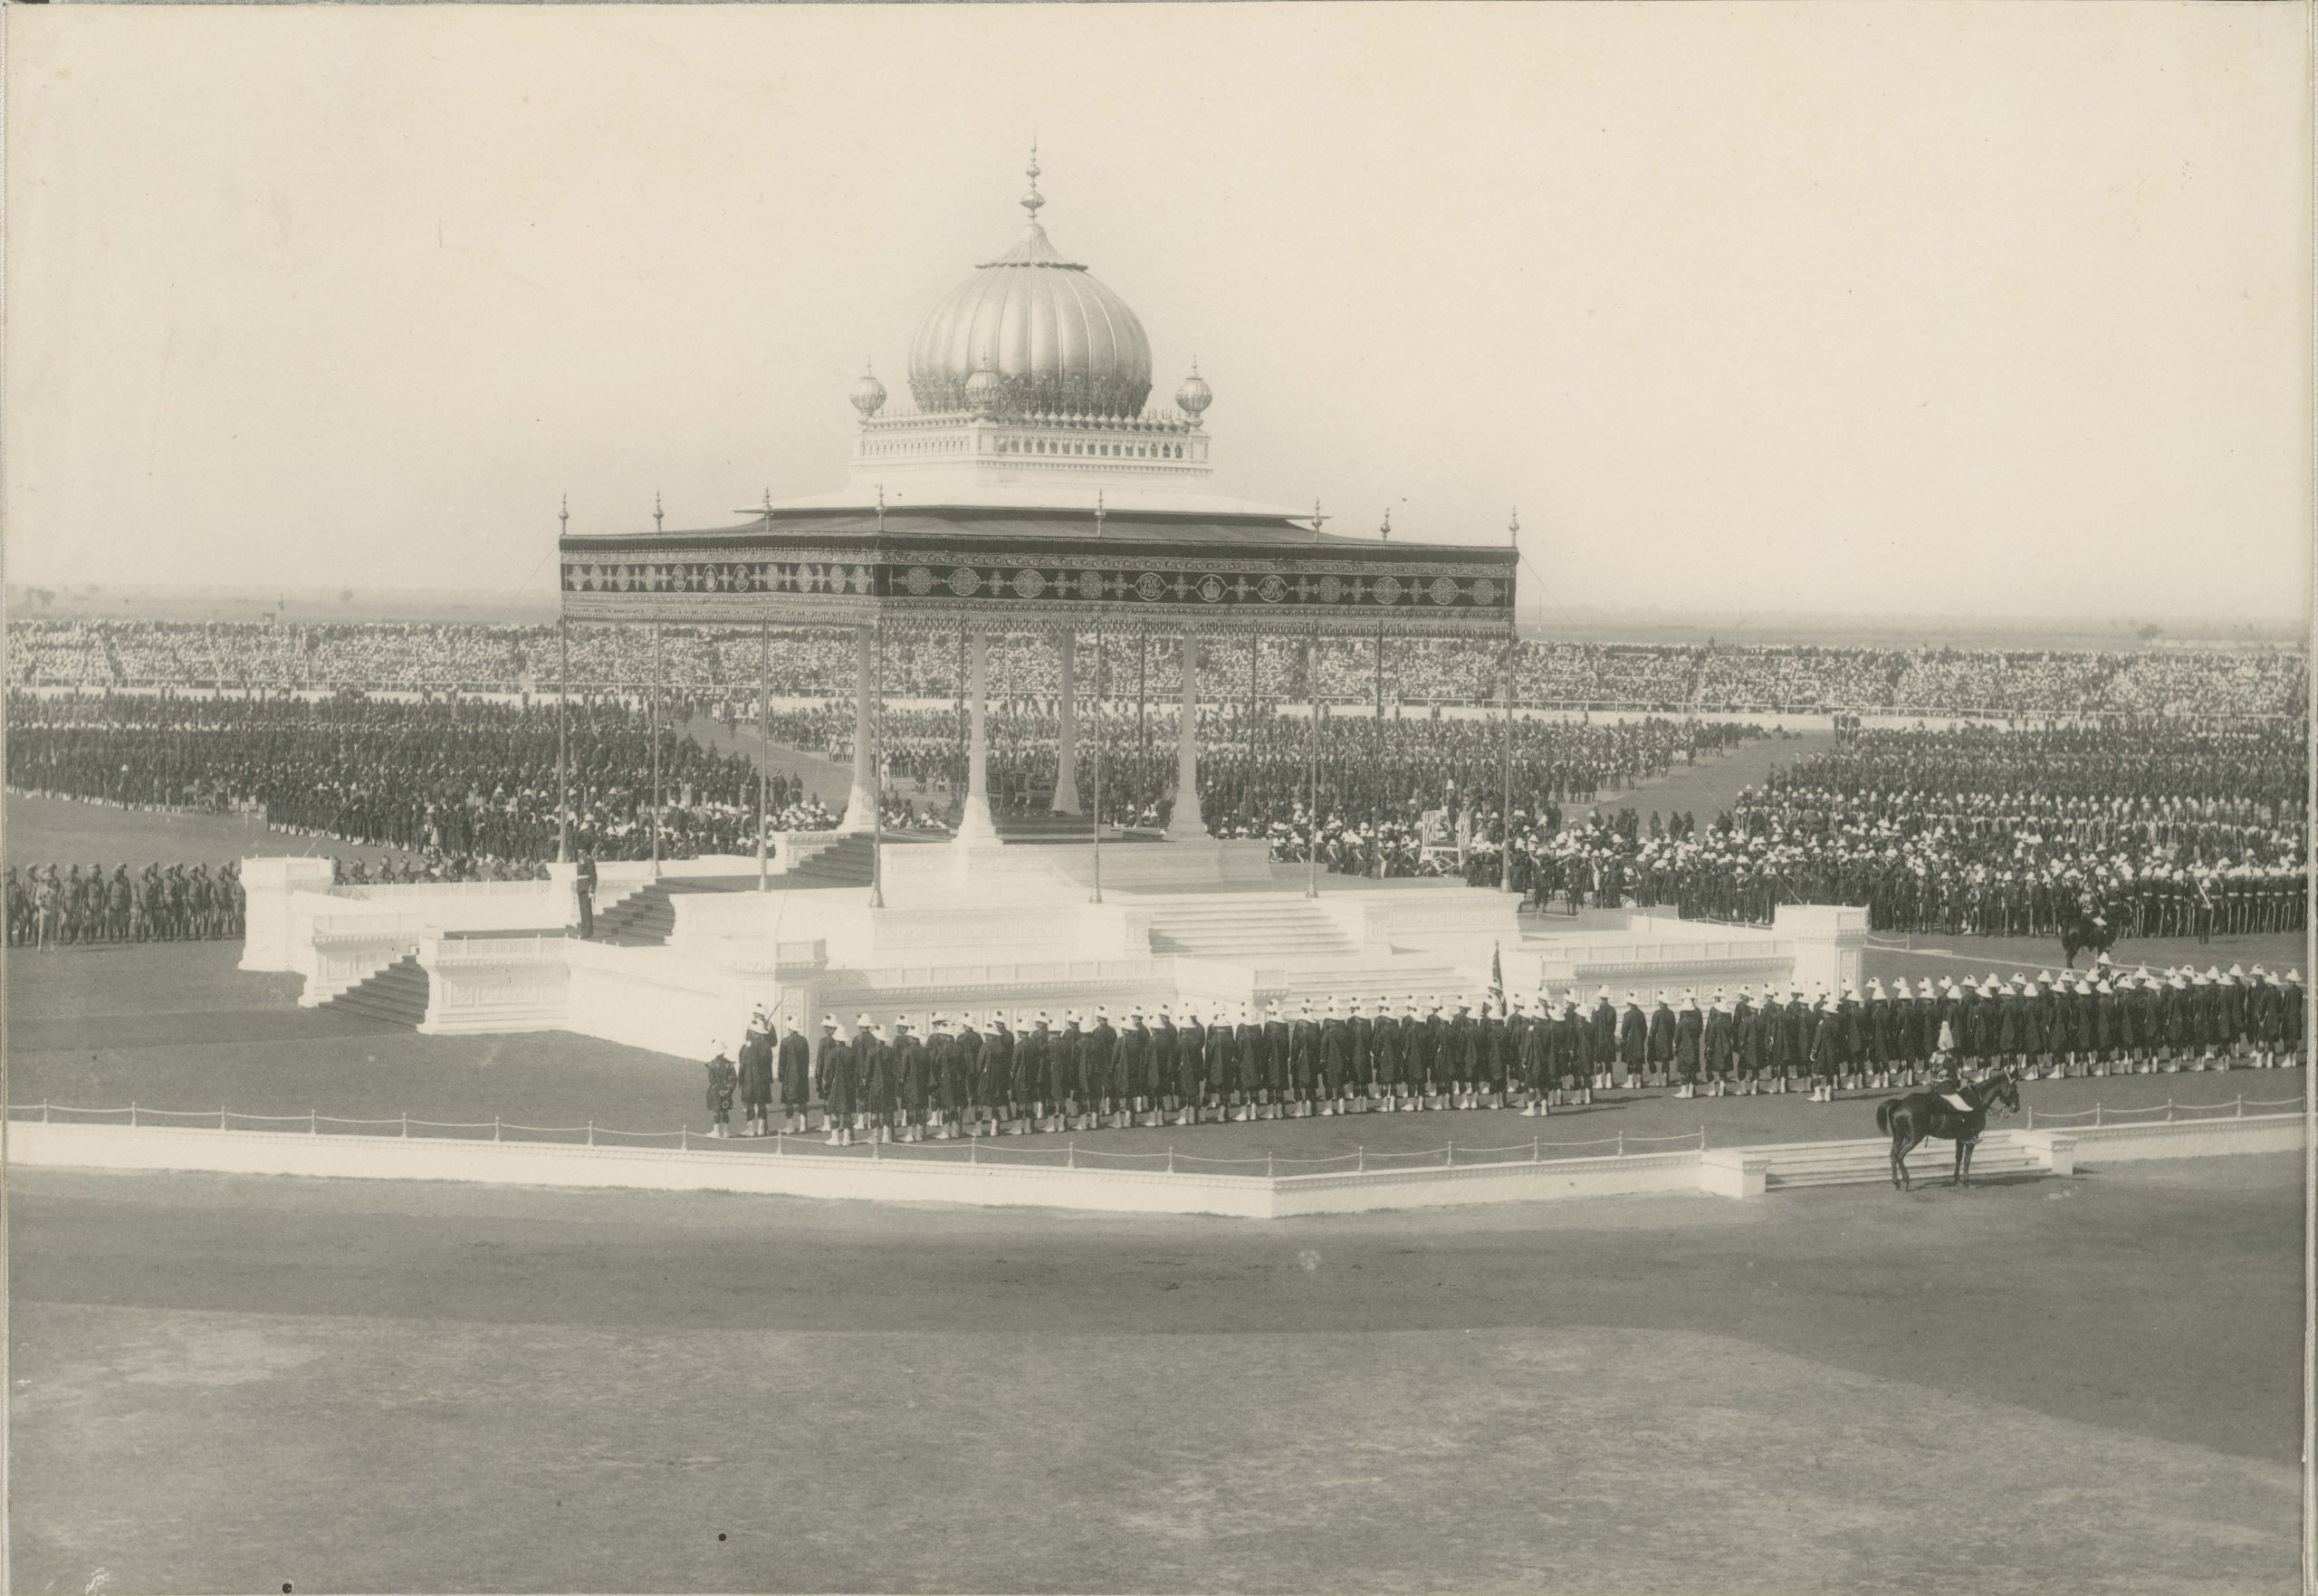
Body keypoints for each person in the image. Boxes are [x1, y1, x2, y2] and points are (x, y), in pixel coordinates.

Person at [737, 1010, 774, 1137]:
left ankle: (751, 1129)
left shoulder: (746, 1047)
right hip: (763, 1079)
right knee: (762, 1104)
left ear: (753, 1032)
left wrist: (740, 1080)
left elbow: (742, 1065)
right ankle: (761, 1128)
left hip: (749, 1079)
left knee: (750, 1104)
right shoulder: (767, 1046)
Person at [777, 1015, 812, 1134]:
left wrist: (781, 1076)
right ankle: (803, 1125)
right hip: (801, 1074)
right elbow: (807, 1059)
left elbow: (781, 1061)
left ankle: (790, 1126)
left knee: (789, 1101)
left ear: (790, 1029)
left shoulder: (785, 1042)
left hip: (788, 1075)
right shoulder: (803, 1041)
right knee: (802, 1101)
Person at [704, 1041, 738, 1139]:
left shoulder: (711, 1065)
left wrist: (719, 1089)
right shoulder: (729, 1064)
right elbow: (734, 1079)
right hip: (727, 1091)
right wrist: (728, 1090)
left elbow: (711, 1080)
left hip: (715, 1091)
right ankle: (726, 1132)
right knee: (725, 1110)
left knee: (716, 1110)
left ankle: (716, 1131)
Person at [574, 852, 598, 940]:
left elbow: (593, 875)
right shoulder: (580, 859)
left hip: (587, 886)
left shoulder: (589, 860)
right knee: (582, 909)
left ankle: (587, 931)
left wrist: (592, 889)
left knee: (586, 909)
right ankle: (584, 930)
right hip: (581, 886)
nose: (579, 850)